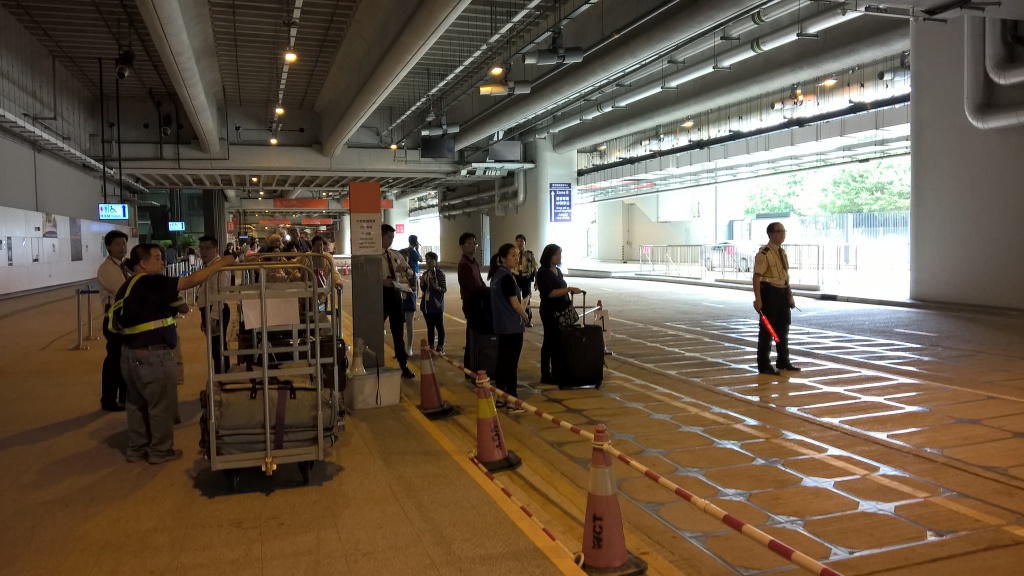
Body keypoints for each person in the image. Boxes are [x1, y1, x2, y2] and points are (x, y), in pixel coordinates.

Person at [111, 243, 234, 464]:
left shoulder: (127, 285)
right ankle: (160, 451)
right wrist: (223, 263)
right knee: (161, 405)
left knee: (136, 404)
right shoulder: (152, 281)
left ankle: (136, 448)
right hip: (153, 356)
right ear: (143, 263)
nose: (162, 262)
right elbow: (192, 280)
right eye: (157, 258)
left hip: (129, 355)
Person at [752, 222, 800, 376]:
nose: (782, 234)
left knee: (783, 329)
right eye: (779, 231)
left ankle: (783, 361)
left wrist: (790, 296)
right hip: (769, 294)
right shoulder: (764, 253)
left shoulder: (782, 252)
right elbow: (756, 277)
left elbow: (785, 277)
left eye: (783, 231)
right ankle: (764, 364)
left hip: (782, 294)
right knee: (767, 331)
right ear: (771, 234)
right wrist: (758, 300)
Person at [488, 243, 530, 414]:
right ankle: (512, 399)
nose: (516, 258)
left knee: (502, 362)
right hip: (512, 326)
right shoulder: (506, 277)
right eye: (513, 255)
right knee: (511, 364)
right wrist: (525, 315)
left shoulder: (496, 276)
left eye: (517, 255)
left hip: (501, 326)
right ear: (503, 258)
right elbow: (514, 304)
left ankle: (500, 396)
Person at [536, 244, 582, 384]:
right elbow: (550, 293)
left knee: (558, 342)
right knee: (549, 342)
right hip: (550, 312)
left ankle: (557, 371)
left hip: (561, 312)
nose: (559, 257)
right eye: (556, 254)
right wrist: (568, 289)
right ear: (549, 255)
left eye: (560, 254)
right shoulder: (543, 272)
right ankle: (545, 373)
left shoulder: (558, 271)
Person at [97, 230, 130, 411]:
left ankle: (123, 397)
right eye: (117, 244)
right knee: (114, 360)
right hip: (113, 321)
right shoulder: (107, 268)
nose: (122, 247)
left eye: (124, 244)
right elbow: (123, 290)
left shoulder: (123, 265)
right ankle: (108, 400)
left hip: (123, 320)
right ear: (108, 246)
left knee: (122, 359)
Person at [382, 224, 416, 379]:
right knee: (375, 330)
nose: (391, 240)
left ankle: (403, 365)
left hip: (395, 294)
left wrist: (403, 271)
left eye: (392, 238)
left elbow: (410, 270)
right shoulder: (374, 256)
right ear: (380, 236)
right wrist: (383, 281)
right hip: (380, 295)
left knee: (398, 332)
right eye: (389, 237)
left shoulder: (394, 254)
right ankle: (374, 364)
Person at [197, 236, 232, 374]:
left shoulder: (219, 268)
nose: (203, 251)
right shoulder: (210, 266)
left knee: (219, 349)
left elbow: (220, 295)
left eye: (207, 248)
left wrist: (213, 317)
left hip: (217, 310)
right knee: (215, 348)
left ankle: (223, 378)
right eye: (201, 248)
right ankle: (221, 377)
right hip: (209, 311)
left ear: (215, 249)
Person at [457, 232, 489, 370]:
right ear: (462, 246)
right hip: (472, 304)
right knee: (471, 337)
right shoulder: (464, 264)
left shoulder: (473, 262)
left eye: (474, 243)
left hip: (478, 303)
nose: (473, 246)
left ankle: (474, 366)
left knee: (476, 336)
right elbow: (473, 287)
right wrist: (489, 291)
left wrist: (487, 289)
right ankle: (470, 369)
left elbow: (480, 282)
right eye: (469, 244)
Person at [419, 251, 446, 354]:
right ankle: (431, 345)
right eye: (427, 259)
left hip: (436, 304)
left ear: (435, 260)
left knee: (439, 326)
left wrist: (437, 287)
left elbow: (444, 289)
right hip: (427, 305)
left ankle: (440, 346)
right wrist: (422, 284)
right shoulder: (425, 274)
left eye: (430, 259)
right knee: (430, 326)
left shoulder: (439, 273)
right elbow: (424, 289)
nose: (428, 261)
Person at [513, 234, 539, 328]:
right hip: (515, 277)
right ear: (516, 242)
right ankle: (515, 319)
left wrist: (537, 281)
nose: (520, 243)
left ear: (525, 243)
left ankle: (527, 320)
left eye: (522, 241)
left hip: (526, 279)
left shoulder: (530, 254)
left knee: (526, 299)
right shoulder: (512, 254)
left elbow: (535, 268)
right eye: (518, 241)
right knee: (514, 299)